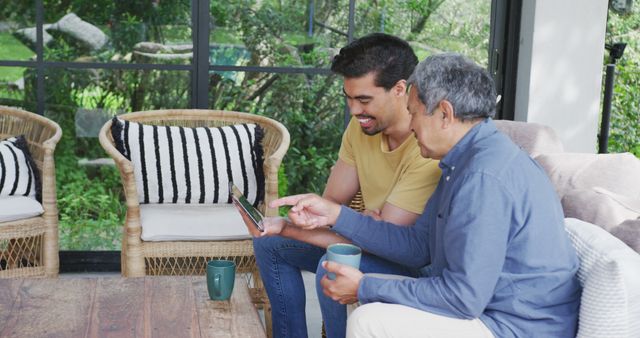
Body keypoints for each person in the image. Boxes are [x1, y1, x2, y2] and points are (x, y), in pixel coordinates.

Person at [268, 53, 582, 338]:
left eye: (414, 112)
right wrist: (336, 214)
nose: (411, 124)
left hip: (514, 327)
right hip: (492, 310)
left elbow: (462, 298)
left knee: (370, 321)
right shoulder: (464, 162)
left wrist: (365, 286)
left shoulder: (482, 177)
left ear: (444, 113)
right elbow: (418, 248)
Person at [243, 33, 442, 338]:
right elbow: (332, 203)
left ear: (400, 89)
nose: (354, 110)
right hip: (367, 245)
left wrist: (345, 221)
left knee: (331, 265)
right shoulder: (361, 127)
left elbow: (388, 241)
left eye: (364, 100)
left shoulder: (426, 147)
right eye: (348, 98)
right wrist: (289, 226)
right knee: (269, 242)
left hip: (411, 265)